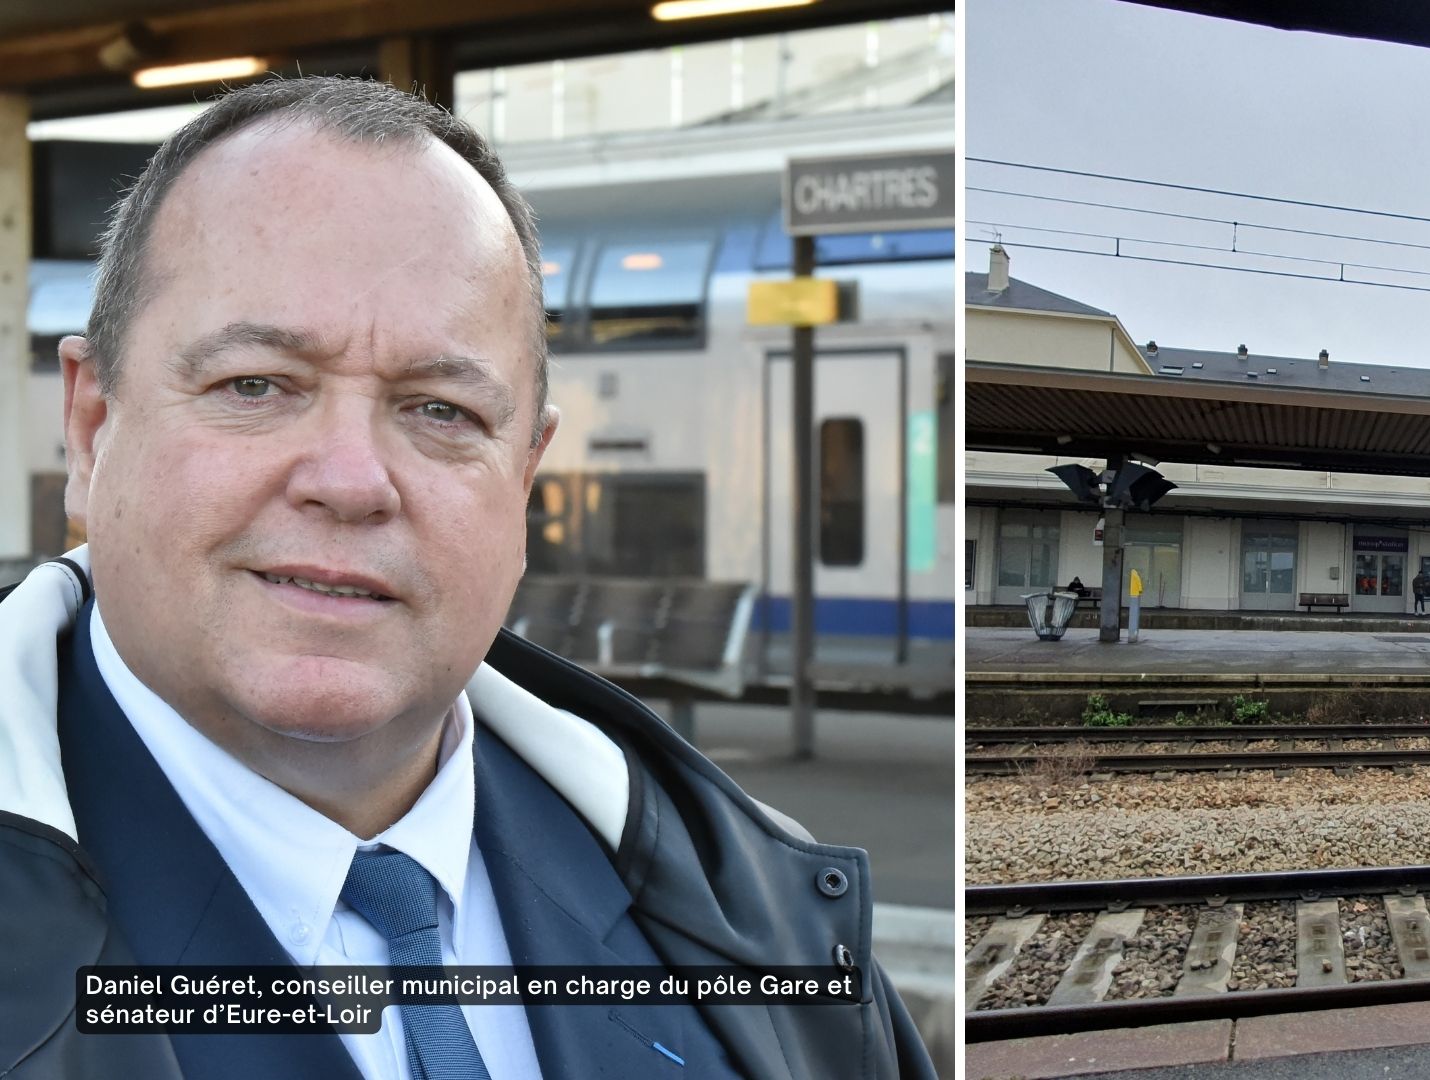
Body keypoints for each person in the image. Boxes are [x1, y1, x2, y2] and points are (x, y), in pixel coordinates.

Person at [0, 77, 931, 1080]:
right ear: (93, 430)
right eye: (256, 385)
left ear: (525, 475)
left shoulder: (767, 919)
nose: (351, 483)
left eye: (441, 410)